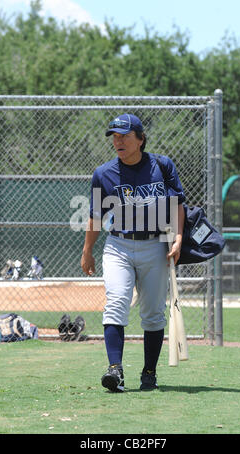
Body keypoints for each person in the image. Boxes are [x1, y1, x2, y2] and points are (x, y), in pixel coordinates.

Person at [81, 113, 185, 392]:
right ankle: (115, 369)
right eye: (115, 136)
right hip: (119, 246)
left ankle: (149, 373)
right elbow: (94, 216)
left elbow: (177, 204)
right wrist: (87, 250)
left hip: (155, 247)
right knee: (115, 303)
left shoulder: (161, 166)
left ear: (140, 139)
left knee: (152, 313)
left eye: (125, 136)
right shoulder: (104, 173)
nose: (118, 141)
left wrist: (178, 237)